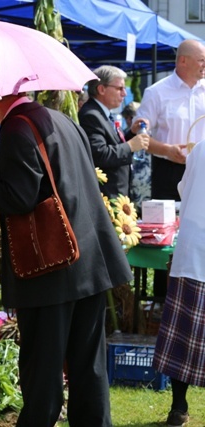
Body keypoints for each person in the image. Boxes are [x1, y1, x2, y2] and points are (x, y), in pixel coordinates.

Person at [0, 92, 132, 426]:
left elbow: (18, 197)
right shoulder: (60, 118)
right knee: (89, 371)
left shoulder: (17, 127)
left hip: (50, 269)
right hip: (88, 262)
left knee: (42, 377)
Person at [134, 39, 205, 300]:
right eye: (201, 60)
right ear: (183, 60)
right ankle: (163, 296)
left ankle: (195, 291)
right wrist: (165, 149)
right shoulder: (157, 91)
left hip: (202, 175)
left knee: (199, 230)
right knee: (164, 231)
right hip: (167, 169)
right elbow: (141, 132)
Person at [152, 141, 205, 427]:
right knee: (184, 333)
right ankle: (178, 408)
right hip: (195, 252)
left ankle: (178, 408)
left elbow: (184, 189)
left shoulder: (201, 148)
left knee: (182, 333)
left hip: (192, 250)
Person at [78, 65, 149, 199]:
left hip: (115, 195)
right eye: (119, 88)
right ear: (101, 89)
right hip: (105, 196)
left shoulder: (101, 113)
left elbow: (113, 145)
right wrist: (131, 146)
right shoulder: (91, 115)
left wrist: (131, 133)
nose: (125, 93)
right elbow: (100, 154)